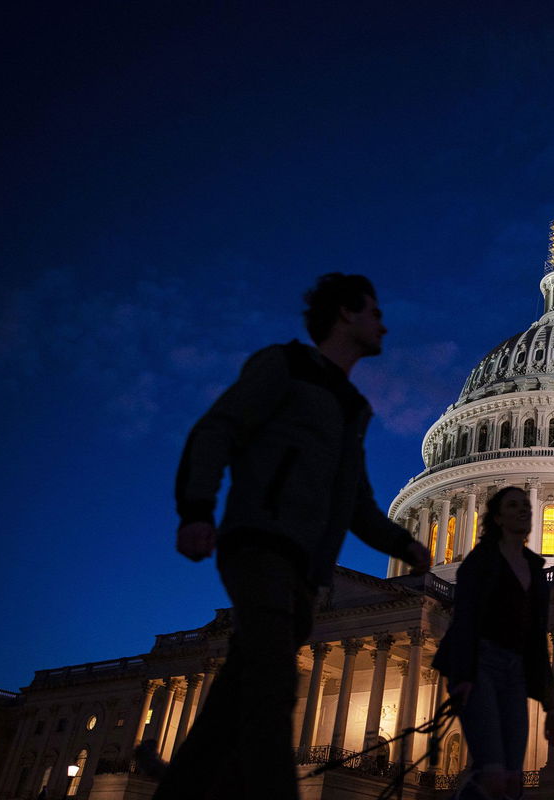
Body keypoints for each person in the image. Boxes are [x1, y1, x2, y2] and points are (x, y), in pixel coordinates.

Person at [149, 273, 431, 800]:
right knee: (276, 683)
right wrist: (196, 510)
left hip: (308, 569)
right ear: (346, 314)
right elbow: (217, 429)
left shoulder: (353, 407)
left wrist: (404, 545)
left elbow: (355, 501)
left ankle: (180, 785)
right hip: (258, 542)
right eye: (373, 311)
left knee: (241, 686)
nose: (383, 323)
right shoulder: (283, 365)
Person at [432, 487, 554, 800]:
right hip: (480, 666)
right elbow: (464, 620)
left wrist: (552, 704)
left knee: (511, 780)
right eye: (513, 505)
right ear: (498, 517)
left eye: (526, 505)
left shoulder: (534, 568)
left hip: (514, 671)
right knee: (491, 772)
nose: (524, 510)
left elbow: (535, 639)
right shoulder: (480, 561)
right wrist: (462, 676)